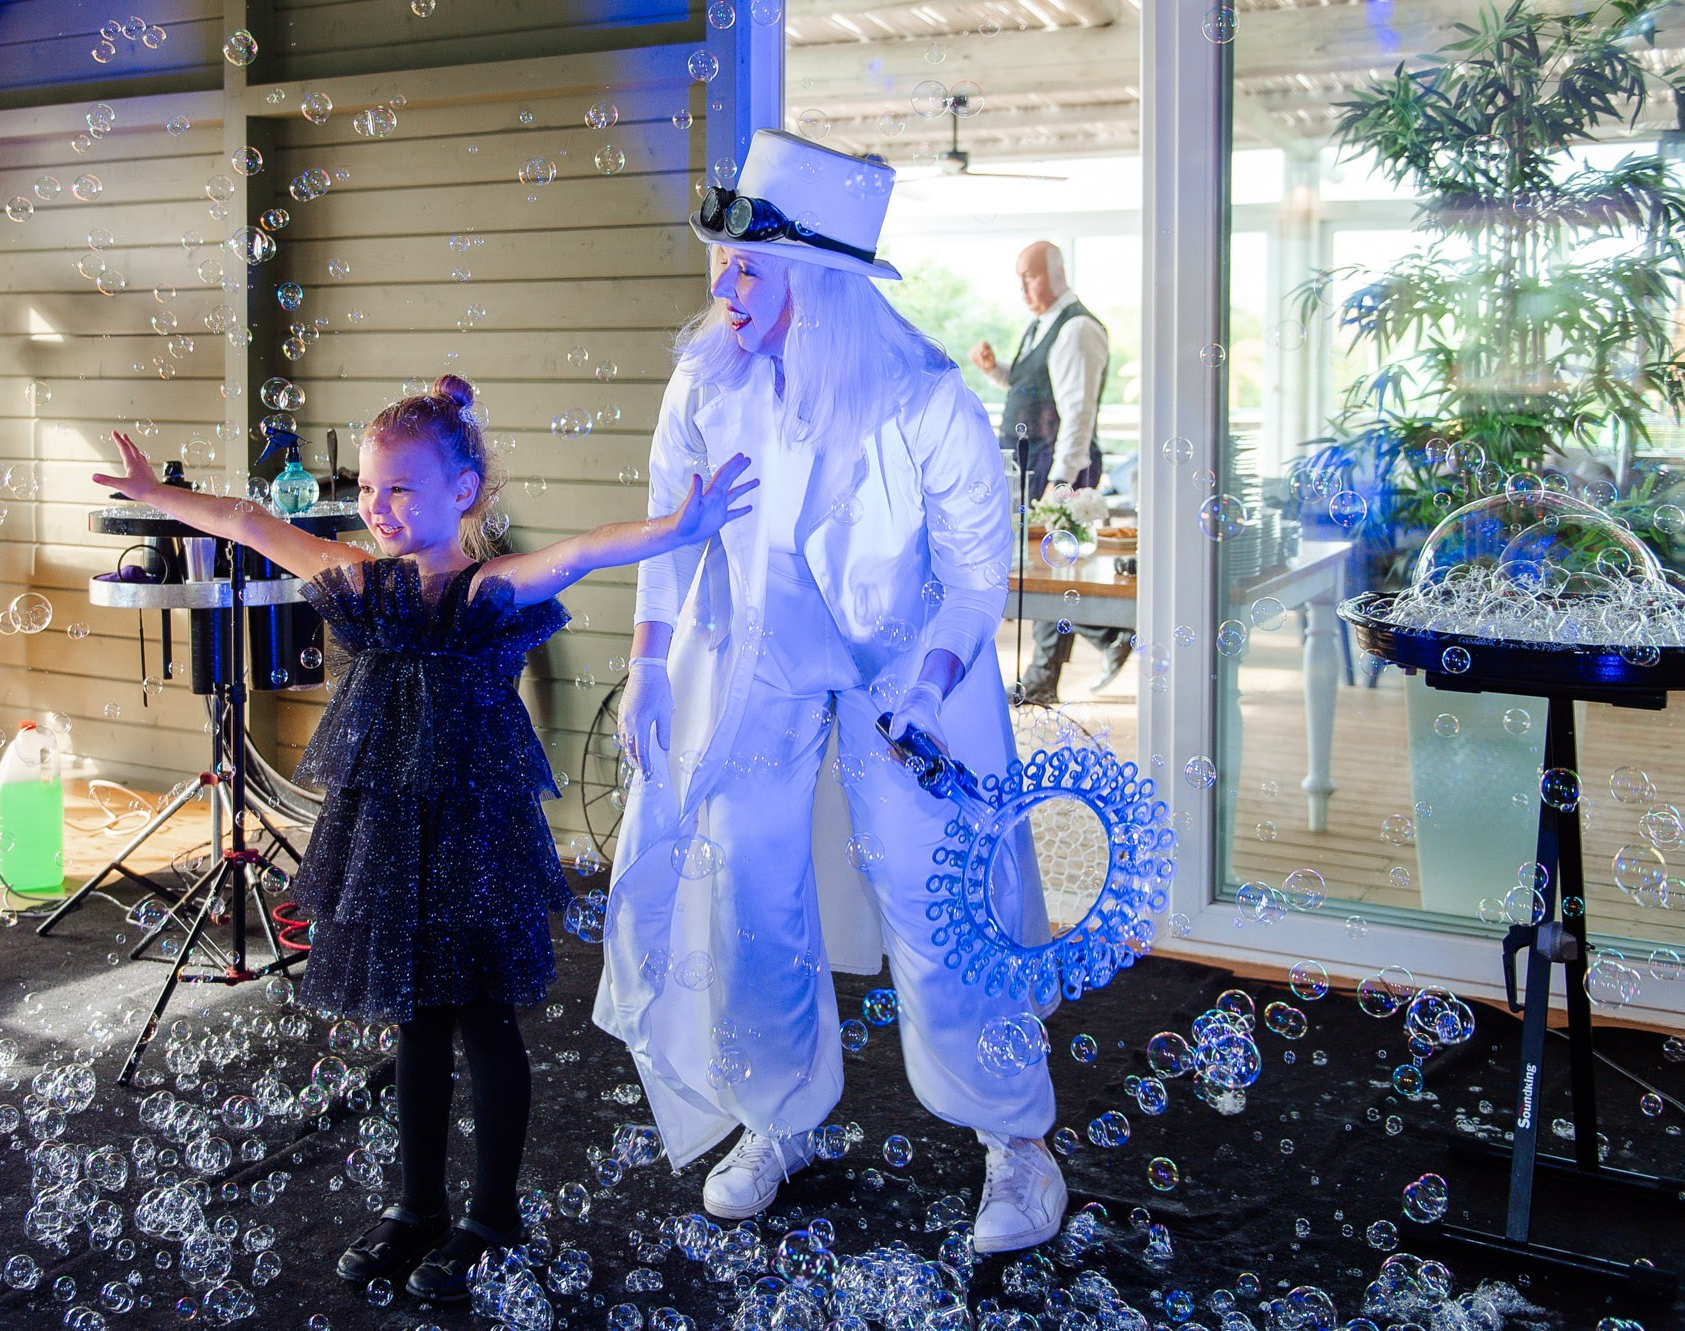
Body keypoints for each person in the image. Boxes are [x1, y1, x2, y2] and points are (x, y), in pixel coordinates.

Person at [93, 380, 755, 1301]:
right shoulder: (364, 584)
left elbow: (578, 551)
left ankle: (491, 1216)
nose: (377, 507)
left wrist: (679, 528)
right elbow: (250, 520)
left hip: (477, 840)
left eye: (401, 489)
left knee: (483, 1023)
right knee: (414, 1024)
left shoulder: (489, 588)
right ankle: (417, 1208)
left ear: (464, 489)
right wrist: (158, 497)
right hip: (392, 843)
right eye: (370, 489)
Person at [594, 129, 1067, 1256]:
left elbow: (970, 573)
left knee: (936, 891)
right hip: (757, 652)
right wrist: (649, 661)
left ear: (820, 279)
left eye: (748, 267)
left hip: (911, 661)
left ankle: (1015, 1141)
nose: (725, 285)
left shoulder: (920, 397)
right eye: (721, 262)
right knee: (744, 879)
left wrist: (931, 683)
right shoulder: (705, 376)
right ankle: (774, 1111)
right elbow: (670, 533)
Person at [969, 241, 1130, 705]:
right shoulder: (1041, 325)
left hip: (1056, 468)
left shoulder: (1077, 328)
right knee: (1046, 567)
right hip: (1035, 465)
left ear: (1058, 273)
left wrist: (1060, 482)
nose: (1023, 284)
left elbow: (1077, 414)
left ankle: (1107, 634)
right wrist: (995, 370)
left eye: (1032, 274)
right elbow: (1034, 390)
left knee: (1047, 571)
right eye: (1019, 275)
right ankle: (1045, 677)